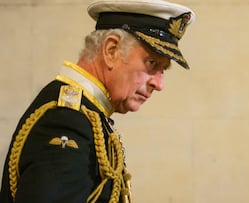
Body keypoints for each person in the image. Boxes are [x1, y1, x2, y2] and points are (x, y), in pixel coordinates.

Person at [0, 0, 195, 202]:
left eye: (163, 70)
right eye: (152, 63)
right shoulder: (65, 120)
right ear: (111, 50)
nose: (159, 84)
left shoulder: (85, 115)